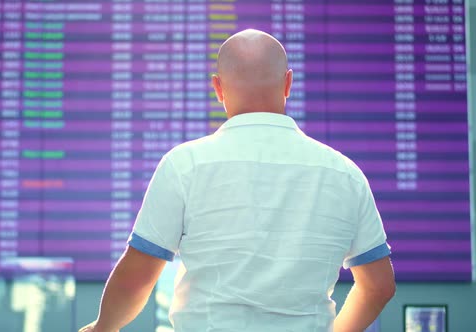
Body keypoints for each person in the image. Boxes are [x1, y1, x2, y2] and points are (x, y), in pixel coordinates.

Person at [80, 29, 395, 332]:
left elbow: (138, 277)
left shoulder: (184, 165)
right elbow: (378, 287)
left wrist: (104, 327)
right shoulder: (345, 174)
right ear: (288, 83)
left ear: (217, 88)